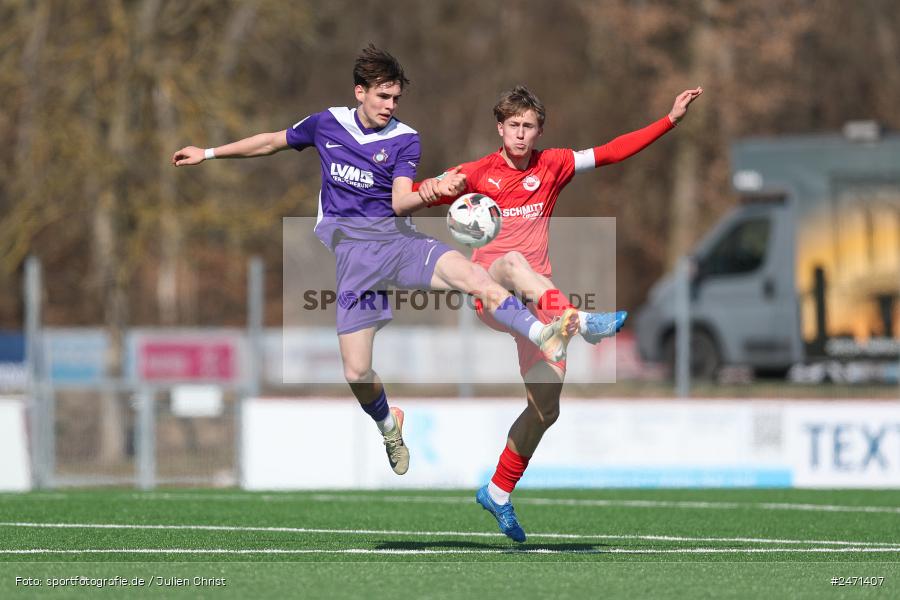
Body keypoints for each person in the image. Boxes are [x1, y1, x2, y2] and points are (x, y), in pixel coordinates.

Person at [171, 46, 576, 477]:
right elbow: (271, 141)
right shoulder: (327, 123)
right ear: (359, 92)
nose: (390, 106)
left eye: (396, 98)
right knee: (357, 370)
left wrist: (431, 191)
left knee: (473, 275)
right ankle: (388, 425)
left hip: (399, 243)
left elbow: (400, 202)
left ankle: (541, 332)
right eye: (383, 96)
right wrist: (209, 153)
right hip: (356, 258)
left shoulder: (406, 138)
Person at [410, 84, 703, 541]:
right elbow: (409, 198)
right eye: (513, 125)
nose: (520, 133)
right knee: (512, 262)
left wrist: (668, 121)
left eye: (528, 126)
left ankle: (498, 491)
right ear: (499, 128)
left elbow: (611, 152)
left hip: (539, 301)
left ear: (539, 130)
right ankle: (581, 321)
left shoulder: (554, 164)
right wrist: (425, 188)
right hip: (494, 291)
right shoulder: (474, 173)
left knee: (545, 410)